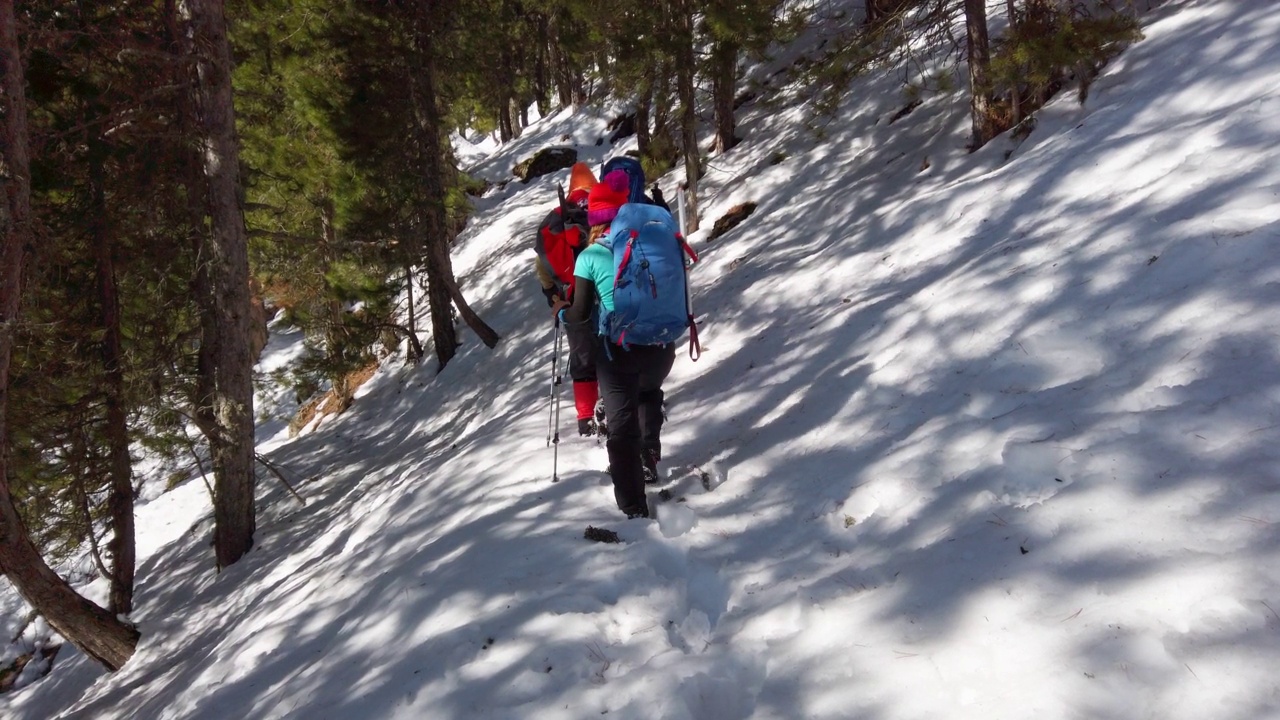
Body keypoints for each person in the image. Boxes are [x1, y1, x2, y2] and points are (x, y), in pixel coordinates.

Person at [562, 170, 678, 519]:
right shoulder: (651, 242)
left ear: (593, 218)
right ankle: (649, 458)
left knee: (622, 426)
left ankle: (633, 505)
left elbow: (580, 313)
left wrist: (562, 314)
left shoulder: (590, 256)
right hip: (662, 344)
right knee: (648, 394)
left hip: (619, 350)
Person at [534, 162, 605, 436]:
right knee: (613, 351)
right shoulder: (605, 209)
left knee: (582, 357)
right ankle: (617, 404)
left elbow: (542, 268)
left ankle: (586, 418)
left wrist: (554, 297)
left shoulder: (557, 221)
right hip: (608, 294)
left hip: (574, 300)